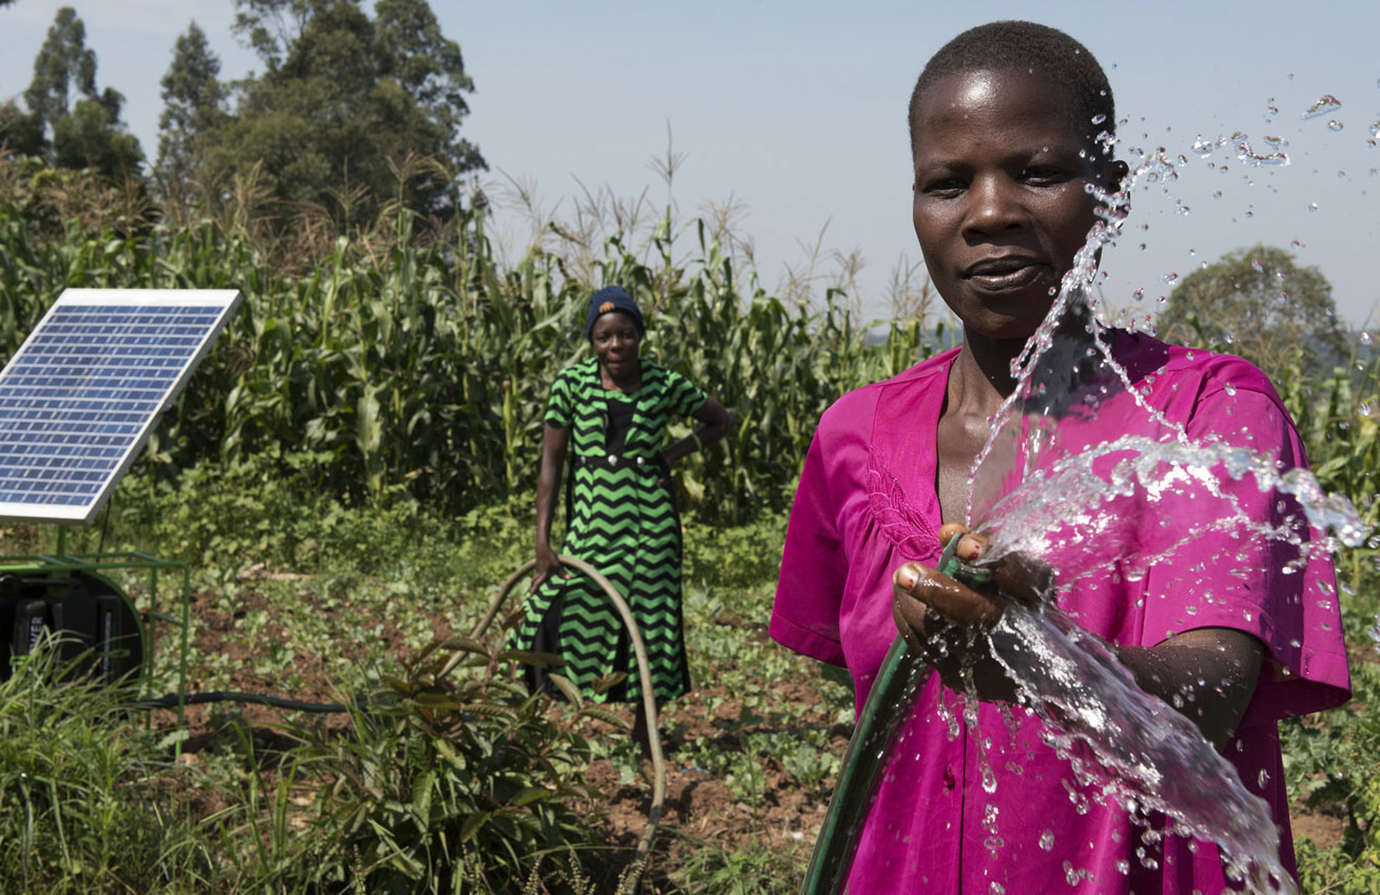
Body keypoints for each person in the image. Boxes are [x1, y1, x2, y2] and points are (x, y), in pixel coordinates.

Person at [769, 21, 1350, 894]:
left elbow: (1216, 687)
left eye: (1036, 171)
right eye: (946, 183)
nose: (989, 211)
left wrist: (1035, 649)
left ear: (1109, 193)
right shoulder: (853, 435)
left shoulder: (1206, 415)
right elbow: (857, 683)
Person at [519, 285, 731, 747]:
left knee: (650, 619)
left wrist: (671, 455)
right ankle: (542, 715)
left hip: (652, 526)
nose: (615, 346)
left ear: (639, 335)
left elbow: (721, 420)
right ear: (592, 341)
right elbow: (550, 468)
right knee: (548, 603)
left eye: (625, 334)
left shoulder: (663, 383)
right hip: (592, 524)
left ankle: (643, 728)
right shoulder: (571, 386)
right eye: (604, 337)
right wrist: (542, 544)